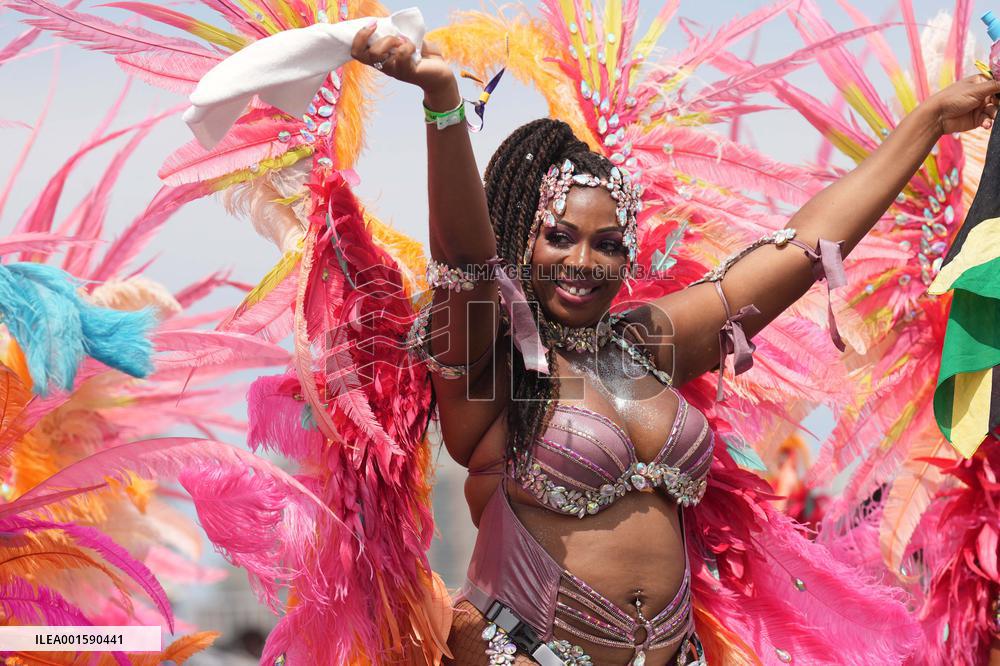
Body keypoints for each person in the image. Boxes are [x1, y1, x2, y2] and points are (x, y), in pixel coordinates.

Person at [349, 17, 1000, 666]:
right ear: (519, 237)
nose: (585, 261)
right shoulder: (489, 367)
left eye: (608, 244)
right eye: (560, 237)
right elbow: (464, 260)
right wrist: (442, 104)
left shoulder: (642, 345)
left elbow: (801, 251)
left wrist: (930, 121)